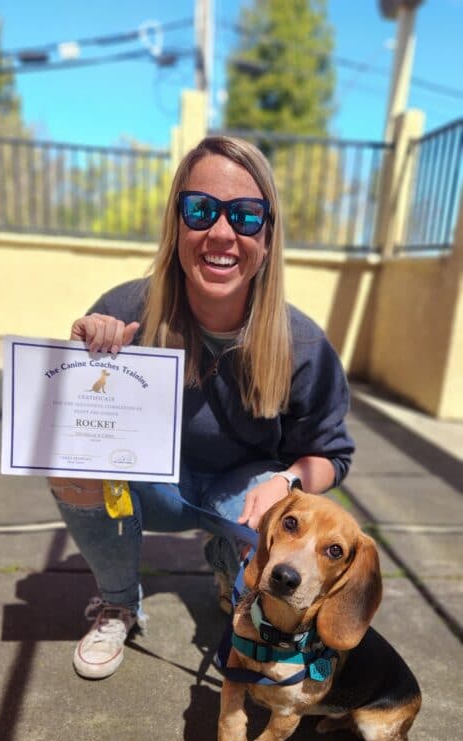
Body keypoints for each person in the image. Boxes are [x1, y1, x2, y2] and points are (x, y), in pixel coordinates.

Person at [50, 135, 354, 680]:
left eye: (244, 215)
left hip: (243, 496)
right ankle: (118, 601)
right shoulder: (127, 308)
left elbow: (332, 454)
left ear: (267, 233)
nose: (221, 233)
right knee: (72, 467)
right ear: (177, 222)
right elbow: (72, 424)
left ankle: (227, 557)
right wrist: (85, 355)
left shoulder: (302, 342)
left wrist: (287, 479)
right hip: (151, 486)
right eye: (200, 210)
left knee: (285, 531)